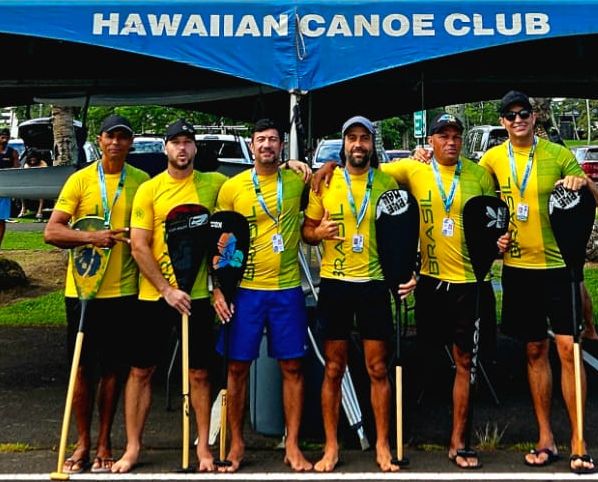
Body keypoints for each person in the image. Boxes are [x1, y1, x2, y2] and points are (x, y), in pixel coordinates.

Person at [482, 91, 598, 474]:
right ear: (502, 122)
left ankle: (579, 440)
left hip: (558, 266)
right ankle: (546, 437)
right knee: (534, 352)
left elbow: (594, 194)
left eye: (524, 113)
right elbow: (477, 204)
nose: (518, 120)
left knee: (568, 349)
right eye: (510, 115)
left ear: (535, 118)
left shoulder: (556, 153)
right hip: (518, 268)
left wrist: (582, 185)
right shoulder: (492, 159)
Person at [111, 119, 228, 473]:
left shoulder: (214, 185)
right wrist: (166, 289)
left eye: (187, 142)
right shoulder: (150, 190)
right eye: (175, 142)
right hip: (155, 296)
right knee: (141, 371)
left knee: (201, 375)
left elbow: (232, 227)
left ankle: (204, 449)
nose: (182, 148)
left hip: (198, 297)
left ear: (195, 149)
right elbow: (139, 245)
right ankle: (133, 448)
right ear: (165, 148)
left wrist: (295, 165)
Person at [302, 116, 415, 472]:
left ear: (372, 144)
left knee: (377, 368)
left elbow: (406, 230)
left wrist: (407, 272)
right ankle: (332, 446)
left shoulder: (387, 183)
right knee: (334, 368)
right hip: (335, 284)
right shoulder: (327, 181)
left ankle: (382, 444)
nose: (358, 145)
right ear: (343, 143)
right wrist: (318, 233)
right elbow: (306, 230)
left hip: (373, 284)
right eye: (352, 138)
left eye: (364, 138)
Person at [44, 114, 149, 474]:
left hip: (123, 292)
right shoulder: (81, 180)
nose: (117, 143)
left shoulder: (141, 182)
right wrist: (92, 237)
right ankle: (82, 441)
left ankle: (105, 440)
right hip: (84, 292)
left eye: (123, 137)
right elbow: (52, 232)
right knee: (82, 371)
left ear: (130, 143)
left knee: (114, 371)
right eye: (111, 136)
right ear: (99, 140)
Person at [212, 118, 313, 473]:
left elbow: (333, 177)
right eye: (260, 140)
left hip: (287, 289)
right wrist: (217, 289)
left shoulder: (298, 180)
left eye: (273, 140)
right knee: (237, 368)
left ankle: (293, 444)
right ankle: (236, 443)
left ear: (282, 146)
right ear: (251, 146)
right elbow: (220, 243)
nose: (267, 145)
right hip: (247, 291)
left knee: (293, 367)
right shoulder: (233, 188)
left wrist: (311, 166)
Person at [0, 127, 19, 246]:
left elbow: (17, 169)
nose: (4, 138)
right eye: (2, 136)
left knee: (1, 220)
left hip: (4, 189)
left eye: (6, 136)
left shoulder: (12, 152)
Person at [18, 148, 48, 221]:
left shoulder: (43, 163)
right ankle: (23, 208)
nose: (32, 161)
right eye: (31, 159)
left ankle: (39, 211)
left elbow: (44, 176)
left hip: (40, 184)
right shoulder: (26, 165)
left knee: (41, 192)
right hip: (30, 184)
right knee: (21, 190)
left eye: (34, 159)